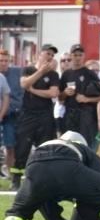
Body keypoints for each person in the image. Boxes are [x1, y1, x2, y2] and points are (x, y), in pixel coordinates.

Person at [13, 45, 61, 192]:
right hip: (28, 113)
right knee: (22, 147)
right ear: (40, 54)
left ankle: (42, 178)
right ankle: (16, 179)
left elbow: (53, 93)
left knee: (44, 147)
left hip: (45, 114)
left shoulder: (53, 75)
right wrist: (40, 72)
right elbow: (24, 83)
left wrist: (33, 90)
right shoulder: (28, 69)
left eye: (52, 55)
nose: (50, 57)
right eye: (47, 53)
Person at [59, 44, 100, 152]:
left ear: (84, 56)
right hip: (69, 114)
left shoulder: (89, 73)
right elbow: (60, 98)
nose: (77, 58)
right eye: (75, 55)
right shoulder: (66, 74)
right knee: (69, 144)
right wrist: (65, 93)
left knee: (84, 144)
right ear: (71, 56)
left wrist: (87, 99)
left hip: (85, 114)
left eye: (80, 55)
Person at [0, 48, 24, 188]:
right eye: (0, 61)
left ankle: (15, 175)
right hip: (6, 114)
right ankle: (11, 174)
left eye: (5, 61)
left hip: (18, 114)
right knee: (9, 146)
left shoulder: (18, 72)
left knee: (18, 147)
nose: (3, 63)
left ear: (10, 61)